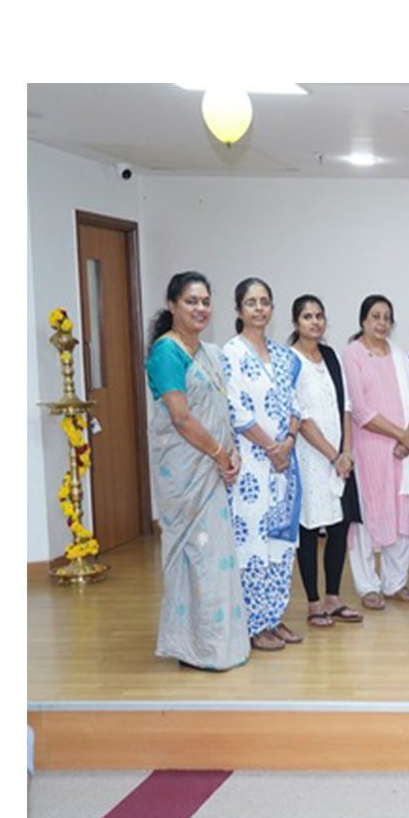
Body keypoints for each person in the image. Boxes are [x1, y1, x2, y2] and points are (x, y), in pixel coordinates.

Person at [143, 271, 249, 670]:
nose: (201, 308)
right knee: (197, 554)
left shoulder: (210, 352)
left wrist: (232, 451)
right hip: (185, 472)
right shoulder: (166, 353)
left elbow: (220, 408)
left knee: (217, 556)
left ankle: (218, 644)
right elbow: (182, 418)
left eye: (205, 301)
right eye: (191, 301)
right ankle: (195, 647)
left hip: (214, 463)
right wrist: (222, 455)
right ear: (172, 305)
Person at [223, 278, 305, 653]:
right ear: (239, 310)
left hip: (282, 464)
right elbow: (236, 410)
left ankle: (274, 616)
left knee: (280, 542)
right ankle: (253, 624)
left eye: (265, 302)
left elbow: (295, 406)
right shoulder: (231, 354)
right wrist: (271, 446)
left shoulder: (283, 355)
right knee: (252, 543)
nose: (259, 309)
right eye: (251, 302)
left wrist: (286, 443)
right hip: (252, 468)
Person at [340, 294, 409, 608]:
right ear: (363, 320)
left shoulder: (400, 356)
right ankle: (367, 586)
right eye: (375, 316)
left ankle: (395, 583)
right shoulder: (352, 354)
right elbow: (359, 409)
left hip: (405, 452)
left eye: (387, 317)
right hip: (370, 448)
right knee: (367, 515)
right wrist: (400, 434)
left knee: (401, 514)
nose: (381, 323)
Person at [289, 294, 364, 628]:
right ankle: (314, 603)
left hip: (340, 457)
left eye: (319, 316)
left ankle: (333, 598)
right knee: (308, 529)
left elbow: (345, 406)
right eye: (307, 316)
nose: (315, 322)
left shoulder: (331, 356)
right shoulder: (289, 360)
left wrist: (346, 452)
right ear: (296, 323)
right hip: (309, 456)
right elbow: (300, 417)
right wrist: (332, 455)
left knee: (339, 525)